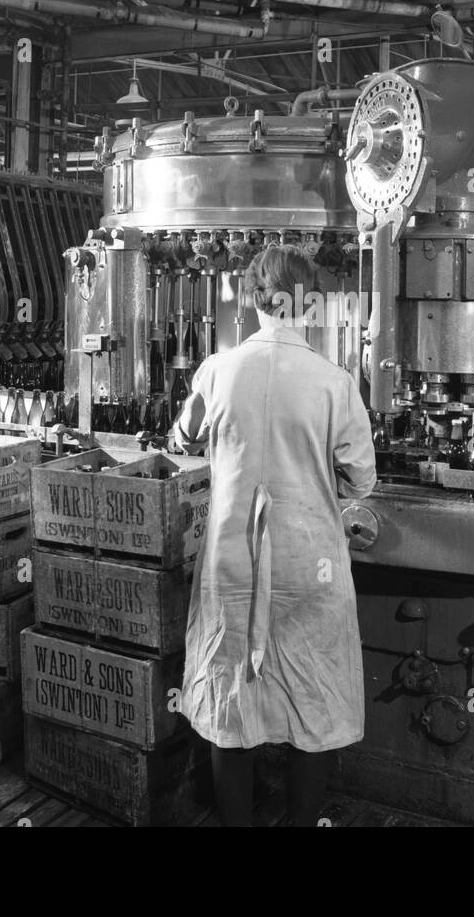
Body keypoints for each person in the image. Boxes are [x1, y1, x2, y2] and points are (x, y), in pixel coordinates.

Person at [170, 244, 377, 827]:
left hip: (233, 562)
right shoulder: (334, 382)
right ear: (309, 303)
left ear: (252, 299)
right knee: (311, 694)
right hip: (308, 564)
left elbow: (183, 438)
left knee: (231, 691)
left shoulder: (217, 369)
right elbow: (362, 476)